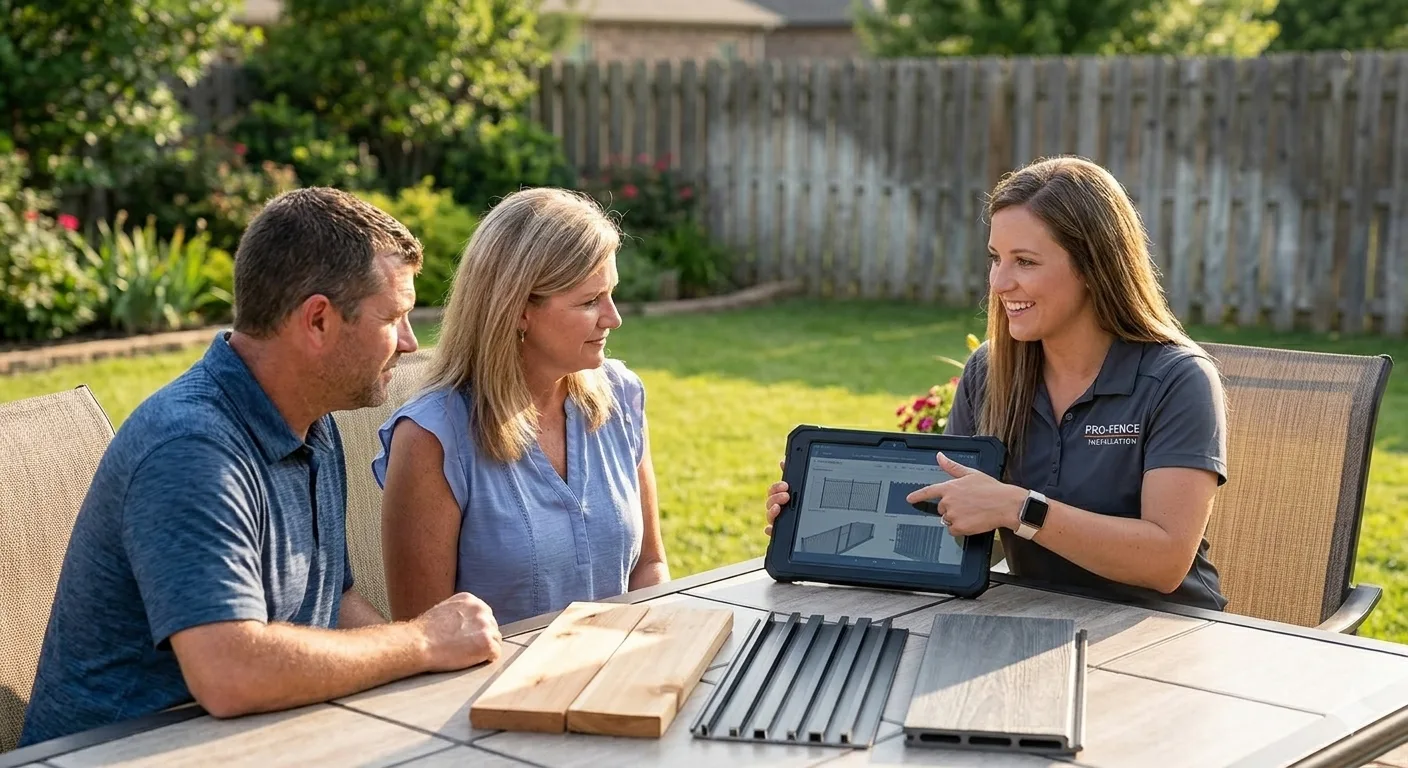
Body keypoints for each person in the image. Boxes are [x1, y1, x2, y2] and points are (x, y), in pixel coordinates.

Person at [19, 188, 503, 748]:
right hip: (121, 754)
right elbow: (229, 673)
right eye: (393, 317)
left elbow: (333, 603)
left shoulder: (311, 423)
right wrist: (420, 642)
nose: (409, 343)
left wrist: (443, 670)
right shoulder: (192, 449)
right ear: (317, 320)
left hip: (252, 739)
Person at [763, 156, 1229, 611]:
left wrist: (1020, 509)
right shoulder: (990, 372)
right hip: (1035, 617)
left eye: (1025, 261)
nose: (1000, 282)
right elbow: (952, 530)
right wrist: (814, 522)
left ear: (1093, 268)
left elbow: (1165, 561)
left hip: (1162, 630)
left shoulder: (1178, 380)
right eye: (996, 258)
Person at [373, 187, 669, 626]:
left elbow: (648, 567)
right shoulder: (431, 440)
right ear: (517, 310)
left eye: (611, 294)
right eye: (589, 301)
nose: (613, 318)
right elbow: (425, 640)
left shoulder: (621, 396)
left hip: (618, 679)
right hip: (492, 692)